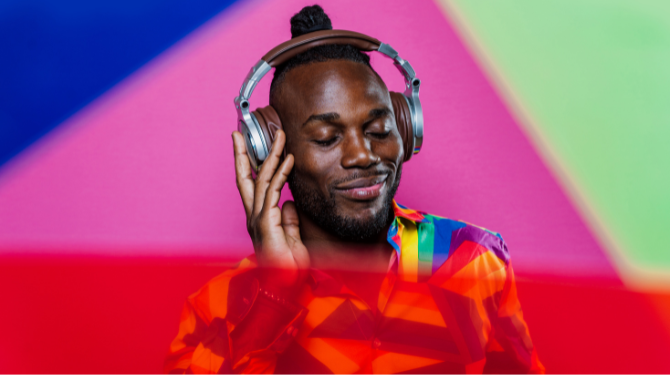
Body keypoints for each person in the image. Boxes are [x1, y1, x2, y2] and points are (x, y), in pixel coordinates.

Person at [165, 5, 544, 374]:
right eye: (328, 138)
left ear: (406, 128)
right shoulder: (218, 306)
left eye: (378, 130)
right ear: (270, 151)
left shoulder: (472, 259)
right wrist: (274, 299)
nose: (363, 155)